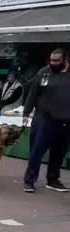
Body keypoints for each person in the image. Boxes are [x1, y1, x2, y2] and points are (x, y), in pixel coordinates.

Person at [23, 48, 70, 194]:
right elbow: (33, 92)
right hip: (44, 118)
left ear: (65, 59)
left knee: (59, 151)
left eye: (56, 61)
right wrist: (26, 112)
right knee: (37, 150)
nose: (53, 63)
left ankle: (53, 180)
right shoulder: (44, 72)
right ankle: (29, 181)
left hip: (65, 119)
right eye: (51, 60)